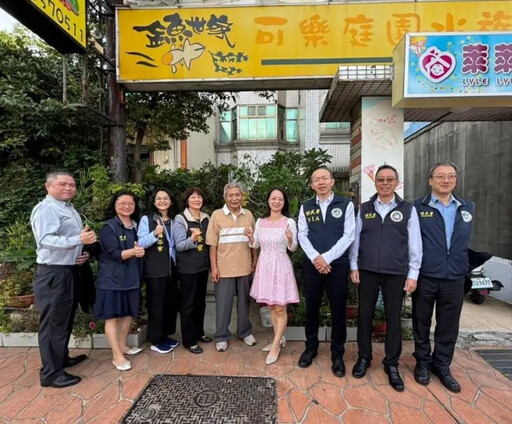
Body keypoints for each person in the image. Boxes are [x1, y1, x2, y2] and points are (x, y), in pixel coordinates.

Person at [349, 164, 422, 391]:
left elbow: (415, 244)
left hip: (396, 272)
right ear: (375, 182)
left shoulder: (408, 209)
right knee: (365, 316)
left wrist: (413, 274)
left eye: (390, 179)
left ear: (396, 182)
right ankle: (364, 357)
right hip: (368, 270)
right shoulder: (364, 208)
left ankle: (391, 363)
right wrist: (354, 265)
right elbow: (356, 240)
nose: (385, 183)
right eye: (381, 179)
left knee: (393, 319)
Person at [31, 170, 97, 388]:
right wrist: (78, 238)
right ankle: (51, 374)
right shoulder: (47, 209)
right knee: (52, 323)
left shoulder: (67, 208)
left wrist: (82, 251)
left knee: (64, 318)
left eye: (72, 184)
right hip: (53, 273)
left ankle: (61, 359)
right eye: (63, 184)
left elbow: (68, 240)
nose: (69, 187)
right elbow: (46, 240)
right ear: (48, 186)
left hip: (69, 270)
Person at [412, 161, 474, 393]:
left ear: (456, 179)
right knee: (421, 321)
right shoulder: (418, 207)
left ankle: (442, 365)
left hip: (455, 275)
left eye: (450, 176)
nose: (445, 180)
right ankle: (423, 363)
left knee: (449, 325)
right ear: (431, 181)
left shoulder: (467, 208)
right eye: (440, 176)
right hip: (427, 273)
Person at [297, 167, 355, 377]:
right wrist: (316, 258)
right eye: (316, 180)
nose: (320, 182)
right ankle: (310, 347)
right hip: (313, 265)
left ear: (332, 182)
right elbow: (302, 234)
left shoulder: (346, 205)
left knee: (338, 309)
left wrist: (327, 258)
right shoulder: (306, 206)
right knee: (311, 307)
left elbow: (349, 236)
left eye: (324, 178)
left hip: (337, 265)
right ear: (312, 185)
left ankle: (337, 353)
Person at [245, 188, 299, 365]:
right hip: (265, 265)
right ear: (268, 200)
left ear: (284, 202)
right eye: (273, 198)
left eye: (280, 199)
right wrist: (250, 236)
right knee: (272, 307)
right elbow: (255, 244)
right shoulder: (261, 221)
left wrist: (290, 238)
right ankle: (279, 338)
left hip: (281, 265)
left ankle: (275, 344)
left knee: (281, 308)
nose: (276, 202)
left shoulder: (289, 221)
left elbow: (293, 248)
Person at [95, 190, 144, 371]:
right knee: (113, 316)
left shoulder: (136, 225)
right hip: (112, 279)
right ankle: (116, 355)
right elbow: (112, 253)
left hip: (132, 277)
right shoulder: (109, 227)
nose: (127, 206)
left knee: (128, 313)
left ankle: (123, 345)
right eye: (122, 203)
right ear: (114, 205)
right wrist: (133, 252)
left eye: (130, 203)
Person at [205, 182, 258, 352]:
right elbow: (212, 245)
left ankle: (244, 331)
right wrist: (214, 267)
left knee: (244, 303)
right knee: (223, 304)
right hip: (224, 268)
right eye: (231, 195)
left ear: (242, 196)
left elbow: (254, 241)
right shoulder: (217, 215)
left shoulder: (248, 214)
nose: (234, 198)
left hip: (244, 267)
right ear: (225, 197)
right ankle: (221, 335)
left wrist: (254, 259)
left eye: (237, 195)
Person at [137, 188, 180, 354]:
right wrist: (155, 233)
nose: (162, 201)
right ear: (154, 202)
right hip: (155, 269)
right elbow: (140, 243)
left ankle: (165, 335)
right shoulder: (147, 219)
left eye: (166, 198)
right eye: (159, 198)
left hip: (171, 269)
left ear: (170, 201)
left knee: (169, 304)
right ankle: (155, 339)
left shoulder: (174, 220)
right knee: (156, 306)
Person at [174, 187, 211, 354]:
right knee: (188, 305)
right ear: (187, 200)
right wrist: (193, 239)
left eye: (199, 197)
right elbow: (180, 245)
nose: (197, 200)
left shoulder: (206, 218)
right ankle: (189, 341)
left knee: (200, 303)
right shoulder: (180, 219)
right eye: (193, 197)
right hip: (187, 269)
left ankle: (199, 333)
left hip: (202, 267)